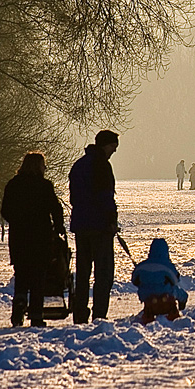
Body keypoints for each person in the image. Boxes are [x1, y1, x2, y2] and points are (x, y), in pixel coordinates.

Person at [0, 152, 65, 327]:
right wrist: (59, 227)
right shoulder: (44, 186)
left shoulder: (13, 185)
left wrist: (18, 221)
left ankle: (18, 311)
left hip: (19, 237)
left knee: (21, 275)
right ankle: (36, 315)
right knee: (38, 277)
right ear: (38, 166)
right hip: (40, 237)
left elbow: (5, 210)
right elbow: (55, 209)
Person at [69, 129, 120, 324]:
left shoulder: (79, 165)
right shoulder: (101, 165)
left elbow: (75, 197)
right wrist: (111, 220)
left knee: (82, 273)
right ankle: (99, 315)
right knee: (103, 273)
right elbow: (104, 197)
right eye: (113, 147)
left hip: (81, 225)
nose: (114, 151)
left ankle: (80, 313)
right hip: (100, 227)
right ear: (105, 145)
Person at [132, 238, 189, 325]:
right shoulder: (167, 266)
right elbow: (175, 280)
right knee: (177, 292)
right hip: (166, 298)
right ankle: (178, 309)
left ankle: (148, 315)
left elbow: (134, 281)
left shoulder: (141, 266)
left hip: (149, 300)